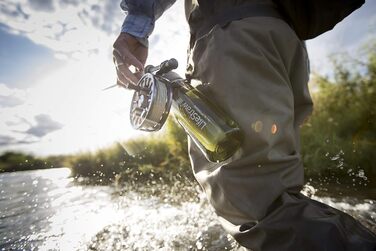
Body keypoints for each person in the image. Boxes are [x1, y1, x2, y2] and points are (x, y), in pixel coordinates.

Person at [113, 0, 376, 250]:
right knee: (280, 191)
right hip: (284, 40)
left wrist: (135, 28)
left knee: (258, 210)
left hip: (232, 34)